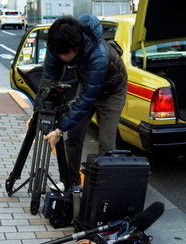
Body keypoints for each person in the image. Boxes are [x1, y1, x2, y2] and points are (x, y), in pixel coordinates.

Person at [34, 15, 128, 186]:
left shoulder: (98, 55)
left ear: (75, 48)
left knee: (106, 144)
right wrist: (36, 111)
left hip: (112, 91)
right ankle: (71, 183)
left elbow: (86, 99)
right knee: (74, 135)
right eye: (57, 54)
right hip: (87, 85)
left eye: (64, 54)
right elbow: (48, 79)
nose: (60, 57)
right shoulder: (58, 44)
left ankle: (101, 189)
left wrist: (58, 130)